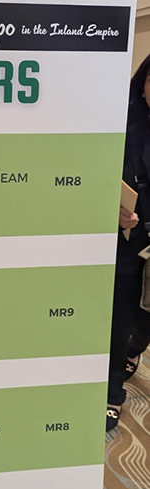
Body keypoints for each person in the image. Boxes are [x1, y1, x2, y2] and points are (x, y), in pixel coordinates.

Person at [108, 53, 150, 431]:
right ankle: (112, 393)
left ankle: (134, 351)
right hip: (128, 235)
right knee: (119, 314)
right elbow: (96, 174)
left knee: (145, 317)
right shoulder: (121, 120)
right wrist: (112, 206)